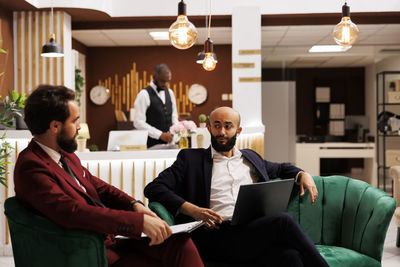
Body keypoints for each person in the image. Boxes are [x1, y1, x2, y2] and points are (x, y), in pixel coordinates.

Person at [14, 85, 203, 267]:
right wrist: (139, 223)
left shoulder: (65, 154)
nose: (79, 127)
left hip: (111, 238)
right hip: (87, 251)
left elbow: (99, 187)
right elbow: (73, 212)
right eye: (74, 121)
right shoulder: (31, 166)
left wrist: (135, 206)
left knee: (180, 244)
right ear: (55, 126)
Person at [144, 106, 329, 267]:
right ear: (208, 128)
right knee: (283, 221)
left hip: (250, 232)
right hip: (214, 236)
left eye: (227, 126)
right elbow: (153, 188)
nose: (222, 132)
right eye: (216, 125)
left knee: (290, 257)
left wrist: (302, 174)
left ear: (238, 130)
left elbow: (280, 168)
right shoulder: (190, 159)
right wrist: (193, 210)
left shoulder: (251, 158)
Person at [133, 63, 179, 148]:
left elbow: (174, 117)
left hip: (171, 145)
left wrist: (175, 133)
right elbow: (138, 122)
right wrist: (160, 134)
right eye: (162, 81)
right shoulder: (144, 94)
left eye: (167, 81)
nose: (165, 84)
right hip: (151, 146)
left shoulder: (170, 93)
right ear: (154, 77)